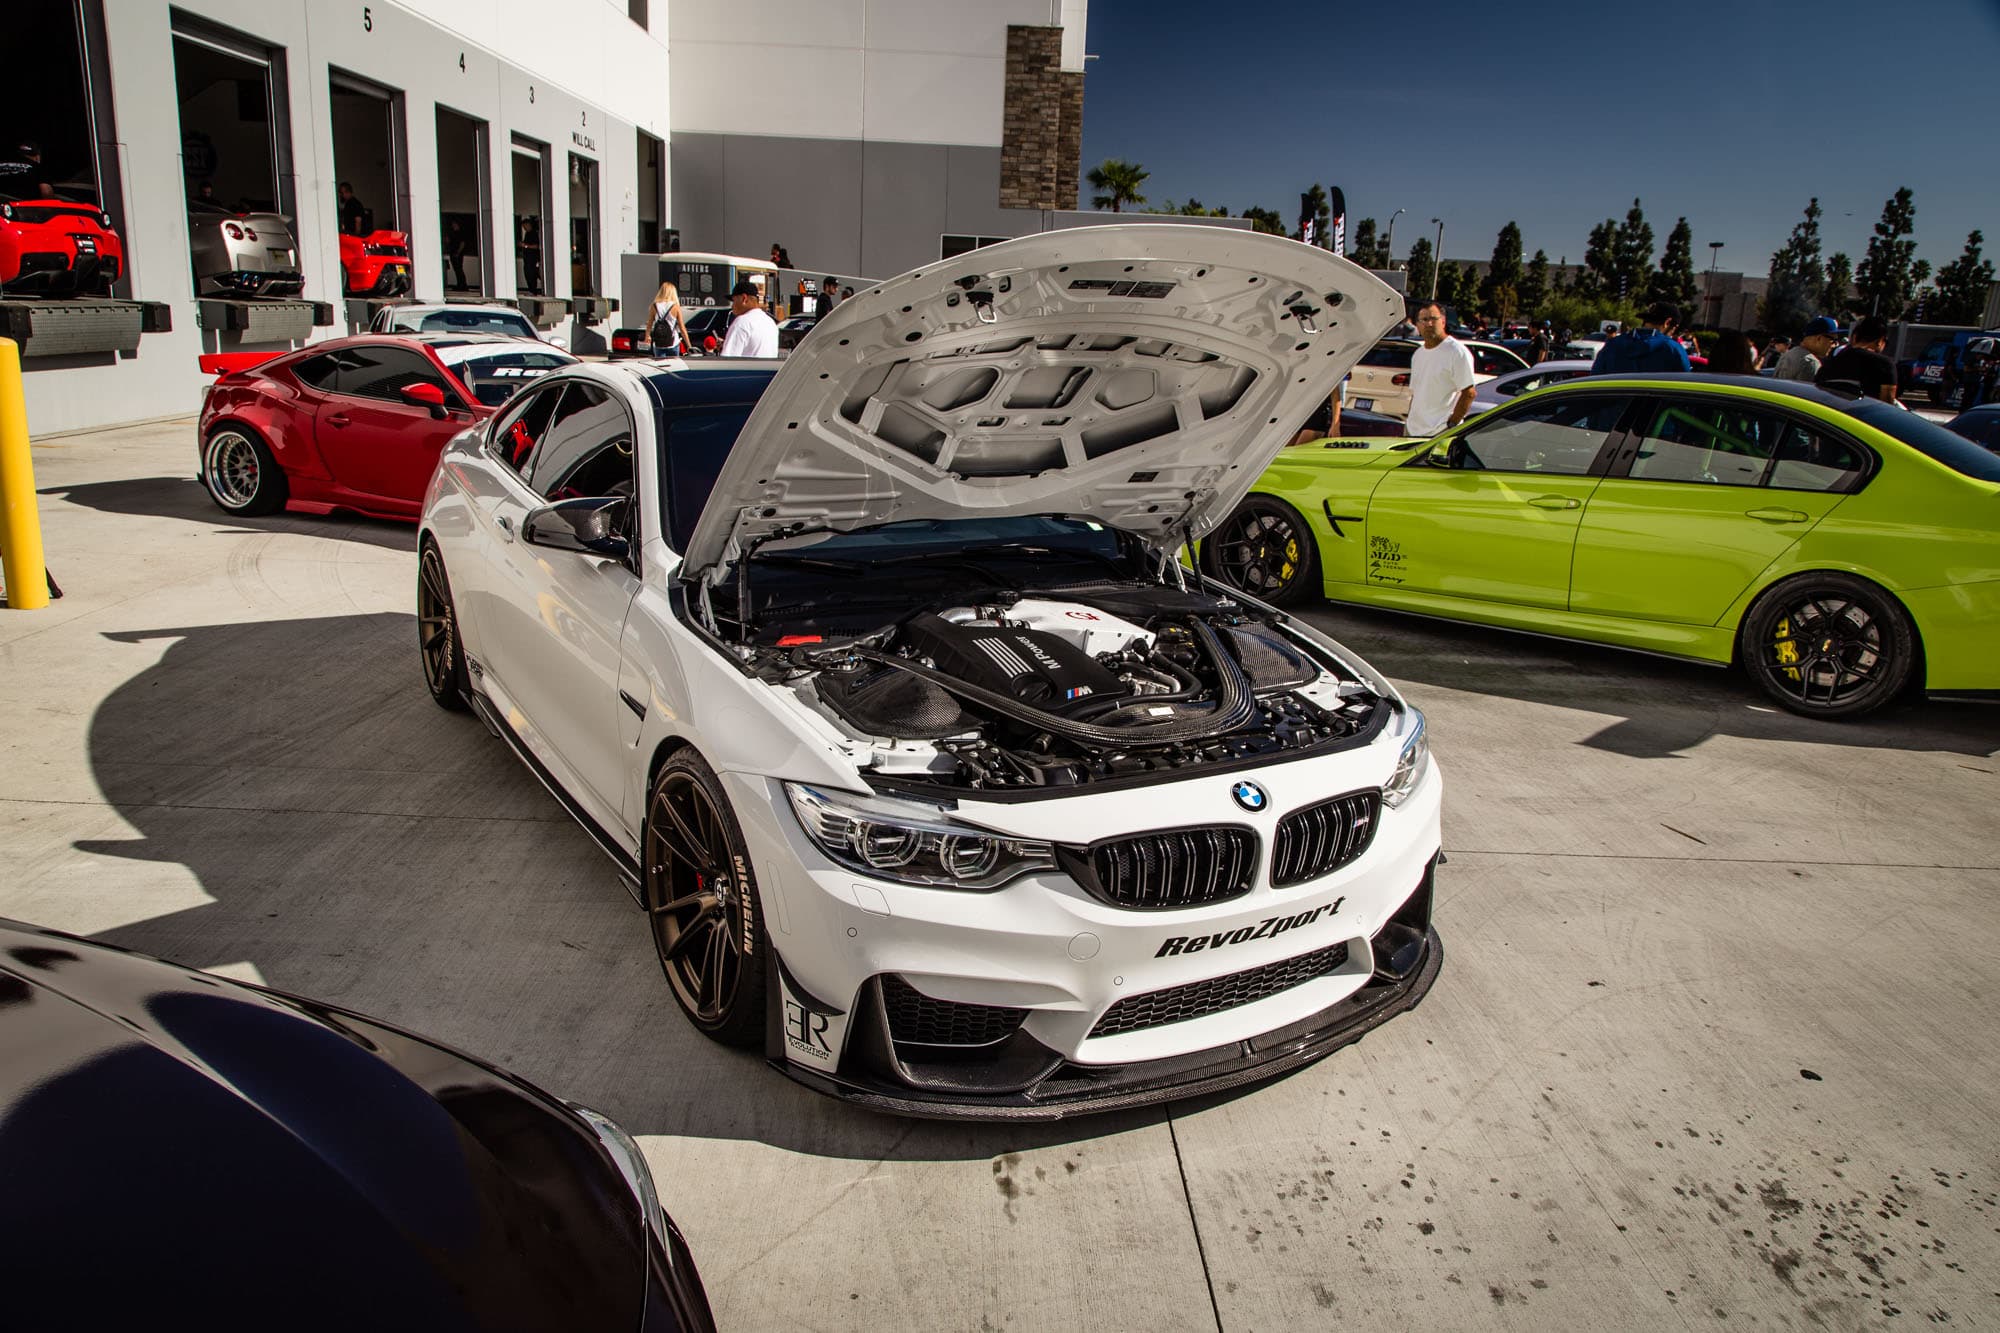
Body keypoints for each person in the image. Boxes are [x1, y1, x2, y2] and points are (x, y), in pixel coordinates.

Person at [1404, 302, 1476, 437]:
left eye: (1433, 319)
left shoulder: (1456, 352)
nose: (1429, 324)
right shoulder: (1418, 355)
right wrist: (1409, 422)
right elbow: (1416, 394)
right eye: (1424, 320)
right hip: (1412, 431)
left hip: (1440, 431)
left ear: (1443, 322)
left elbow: (1469, 393)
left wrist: (1452, 425)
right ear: (1417, 325)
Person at [1815, 315, 1898, 403]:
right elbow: (1887, 404)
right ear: (1880, 341)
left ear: (1855, 337)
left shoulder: (1828, 364)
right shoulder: (1885, 365)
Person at [1591, 303, 1692, 374]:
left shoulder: (1612, 345)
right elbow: (1683, 384)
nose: (1673, 333)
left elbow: (1595, 378)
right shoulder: (1673, 349)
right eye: (1675, 328)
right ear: (1668, 322)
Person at [720, 279, 778, 357]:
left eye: (734, 301)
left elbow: (727, 360)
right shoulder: (770, 322)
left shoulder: (742, 322)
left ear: (744, 299)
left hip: (747, 366)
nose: (732, 306)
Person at [1774, 316, 1839, 382]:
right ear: (1819, 338)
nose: (1835, 345)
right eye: (1833, 340)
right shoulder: (1810, 363)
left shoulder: (1789, 354)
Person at [647, 279, 689, 358]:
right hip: (673, 343)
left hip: (658, 343)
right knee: (674, 365)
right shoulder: (675, 307)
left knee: (660, 365)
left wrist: (647, 336)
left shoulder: (654, 306)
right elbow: (682, 328)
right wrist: (689, 345)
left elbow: (649, 324)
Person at [518, 216, 542, 293]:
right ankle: (531, 290)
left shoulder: (533, 233)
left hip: (533, 260)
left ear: (528, 225)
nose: (524, 228)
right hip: (527, 259)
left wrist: (525, 245)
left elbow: (536, 246)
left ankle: (533, 291)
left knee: (533, 274)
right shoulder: (527, 234)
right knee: (528, 275)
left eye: (525, 226)